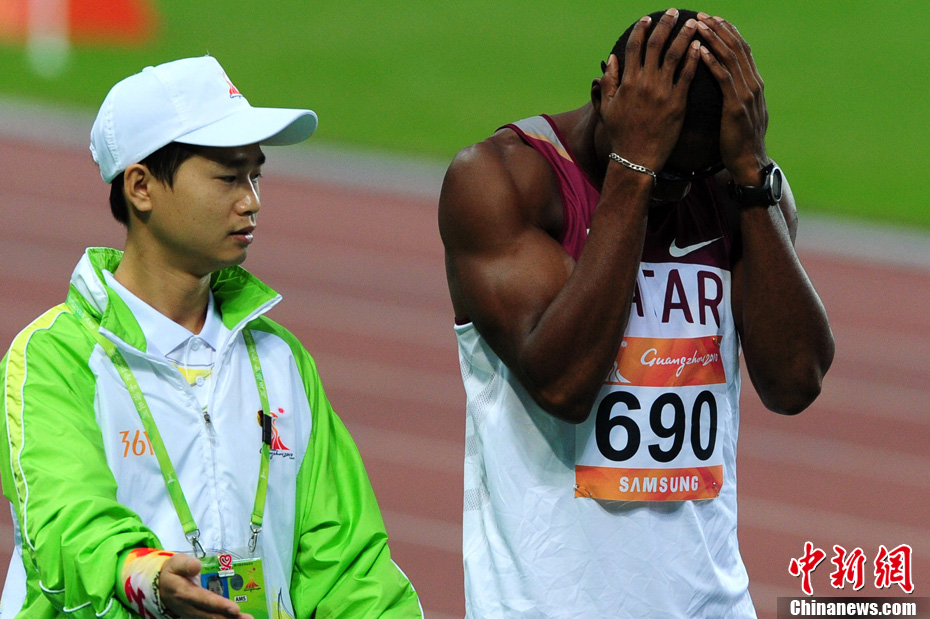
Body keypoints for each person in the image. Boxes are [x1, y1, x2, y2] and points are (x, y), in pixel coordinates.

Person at [438, 8, 835, 618]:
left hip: (710, 603)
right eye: (670, 169)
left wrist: (751, 175)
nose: (683, 189)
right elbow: (565, 383)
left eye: (700, 168)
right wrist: (636, 172)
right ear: (606, 93)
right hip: (548, 605)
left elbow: (794, 382)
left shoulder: (737, 187)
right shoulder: (503, 181)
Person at [0, 55, 422, 618]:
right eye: (228, 177)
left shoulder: (279, 358)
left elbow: (349, 566)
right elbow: (66, 526)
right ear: (141, 187)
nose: (251, 200)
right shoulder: (57, 357)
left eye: (255, 175)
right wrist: (146, 577)